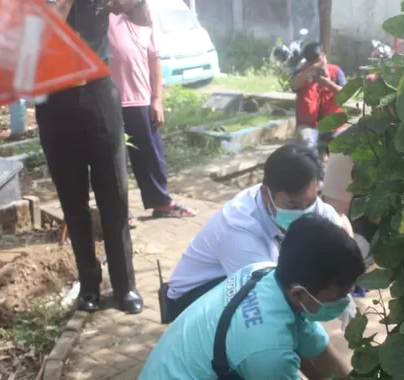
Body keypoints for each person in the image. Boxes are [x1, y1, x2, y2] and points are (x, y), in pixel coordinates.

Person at [20, 0, 148, 314]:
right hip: (55, 101)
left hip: (99, 94)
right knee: (74, 200)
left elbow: (143, 20)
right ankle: (89, 286)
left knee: (114, 193)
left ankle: (125, 286)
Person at [141, 214, 364, 379]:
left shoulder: (264, 272)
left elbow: (320, 357)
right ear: (299, 293)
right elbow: (279, 358)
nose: (343, 303)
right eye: (337, 296)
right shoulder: (268, 351)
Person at [162, 143, 354, 323]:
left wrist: (343, 290)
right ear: (265, 193)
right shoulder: (238, 228)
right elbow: (270, 297)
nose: (304, 212)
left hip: (241, 277)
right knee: (269, 315)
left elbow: (340, 236)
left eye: (309, 204)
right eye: (292, 205)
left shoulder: (305, 201)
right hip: (196, 298)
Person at [93, 0, 197, 228]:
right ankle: (120, 209)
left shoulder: (141, 6)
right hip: (106, 98)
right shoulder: (92, 6)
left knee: (150, 154)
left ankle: (161, 202)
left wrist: (157, 99)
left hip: (139, 96)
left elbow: (154, 56)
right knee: (112, 159)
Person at [289, 42, 347, 187]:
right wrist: (312, 69)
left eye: (318, 59)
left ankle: (343, 182)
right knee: (308, 145)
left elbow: (346, 95)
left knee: (347, 142)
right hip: (309, 125)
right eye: (312, 60)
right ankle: (321, 181)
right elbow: (293, 85)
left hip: (334, 124)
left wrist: (328, 84)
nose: (317, 63)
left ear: (324, 56)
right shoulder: (303, 72)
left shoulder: (336, 71)